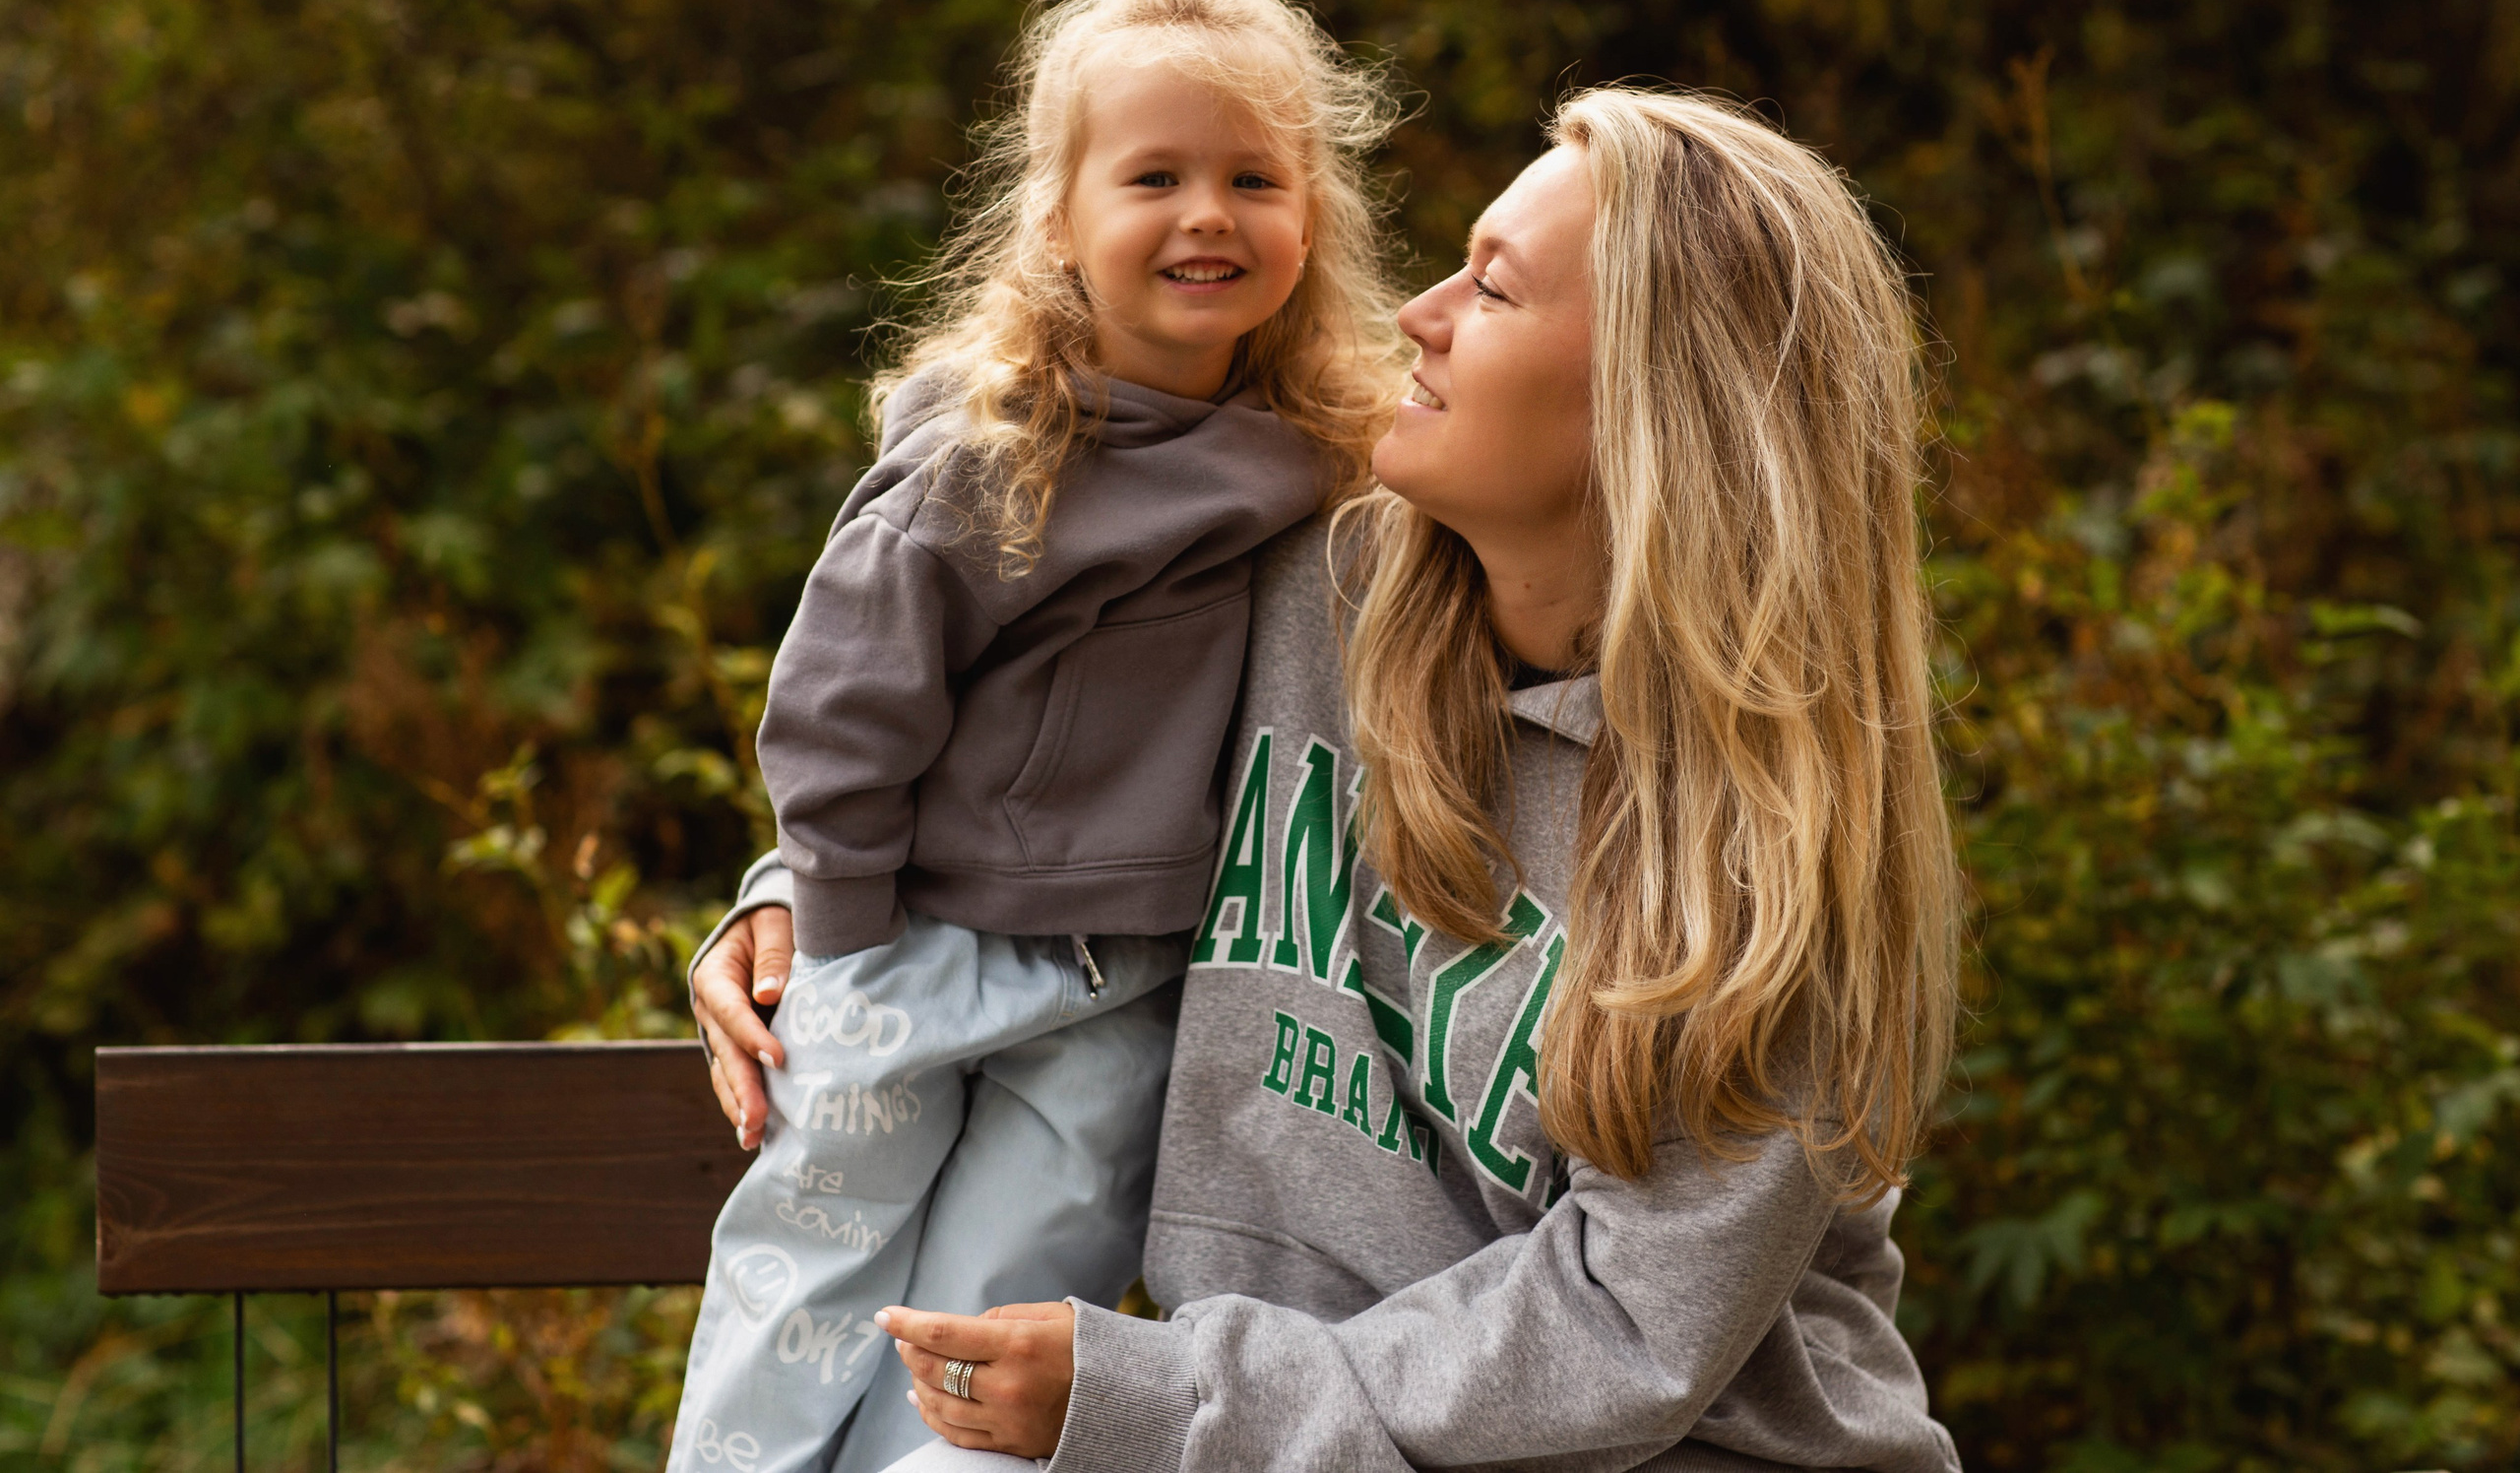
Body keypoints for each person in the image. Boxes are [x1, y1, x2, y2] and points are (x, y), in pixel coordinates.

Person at [701, 87, 1964, 1472]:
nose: (1417, 312)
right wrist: (803, 903)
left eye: (1491, 287)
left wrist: (1162, 1398)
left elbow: (1622, 1327)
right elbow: (1020, 727)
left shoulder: (1767, 862)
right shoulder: (1298, 579)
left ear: (1654, 401)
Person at [667, 0, 1405, 1473]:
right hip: (920, 940)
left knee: (998, 1319)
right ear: (1059, 220)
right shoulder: (991, 451)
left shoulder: (1328, 459)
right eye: (1155, 177)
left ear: (1311, 216)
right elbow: (839, 704)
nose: (1208, 215)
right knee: (814, 1277)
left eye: (1255, 179)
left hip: (1134, 971)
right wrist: (844, 930)